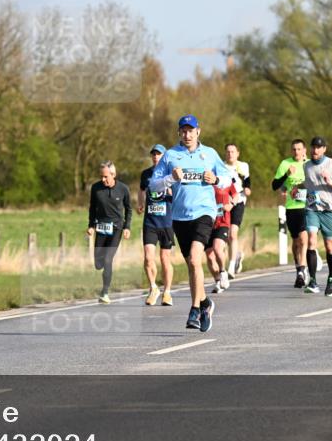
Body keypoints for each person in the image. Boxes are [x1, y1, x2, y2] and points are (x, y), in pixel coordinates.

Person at [149, 114, 231, 333]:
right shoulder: (170, 156)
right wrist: (170, 179)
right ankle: (205, 303)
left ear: (198, 132)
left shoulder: (210, 154)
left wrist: (216, 180)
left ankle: (194, 309)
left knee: (196, 258)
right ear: (179, 133)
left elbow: (228, 177)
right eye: (183, 131)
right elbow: (153, 186)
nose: (187, 134)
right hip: (179, 217)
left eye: (191, 130)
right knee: (192, 265)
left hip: (204, 213)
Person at [300, 137, 332, 297]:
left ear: (324, 149)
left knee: (329, 245)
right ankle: (312, 281)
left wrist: (330, 182)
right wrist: (295, 191)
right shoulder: (306, 166)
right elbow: (305, 185)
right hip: (312, 209)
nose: (315, 150)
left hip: (329, 210)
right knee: (311, 239)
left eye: (319, 148)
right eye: (313, 147)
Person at [88, 161, 133, 303]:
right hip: (101, 228)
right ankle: (104, 283)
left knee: (108, 259)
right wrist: (91, 226)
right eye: (101, 176)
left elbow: (129, 209)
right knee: (98, 264)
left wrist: (127, 227)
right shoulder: (95, 188)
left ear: (113, 175)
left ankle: (105, 292)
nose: (103, 179)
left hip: (116, 229)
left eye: (105, 177)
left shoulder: (123, 189)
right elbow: (92, 208)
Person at [272, 139, 310, 288]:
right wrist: (286, 175)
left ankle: (303, 270)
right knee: (295, 241)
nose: (297, 152)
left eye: (299, 149)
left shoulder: (309, 165)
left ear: (304, 150)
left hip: (307, 207)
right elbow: (275, 185)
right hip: (291, 207)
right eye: (294, 149)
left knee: (303, 238)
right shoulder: (285, 164)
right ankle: (298, 268)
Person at [139, 145, 174, 306]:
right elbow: (141, 190)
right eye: (153, 154)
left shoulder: (170, 174)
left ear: (164, 156)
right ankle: (153, 288)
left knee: (165, 259)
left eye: (159, 154)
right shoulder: (146, 174)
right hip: (150, 222)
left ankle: (167, 292)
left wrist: (171, 194)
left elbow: (178, 193)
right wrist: (140, 204)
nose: (155, 157)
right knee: (148, 257)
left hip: (166, 222)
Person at [206, 175, 237, 293]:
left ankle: (223, 272)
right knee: (209, 255)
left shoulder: (225, 180)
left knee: (217, 248)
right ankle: (218, 280)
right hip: (207, 223)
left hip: (222, 222)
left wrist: (231, 204)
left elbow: (236, 194)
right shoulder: (204, 181)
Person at [223, 143, 251, 277]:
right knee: (226, 235)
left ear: (237, 153)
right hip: (224, 203)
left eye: (233, 152)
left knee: (233, 233)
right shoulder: (221, 166)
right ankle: (237, 255)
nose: (230, 154)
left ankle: (231, 267)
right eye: (228, 152)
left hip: (239, 201)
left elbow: (247, 181)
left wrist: (247, 189)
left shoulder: (243, 166)